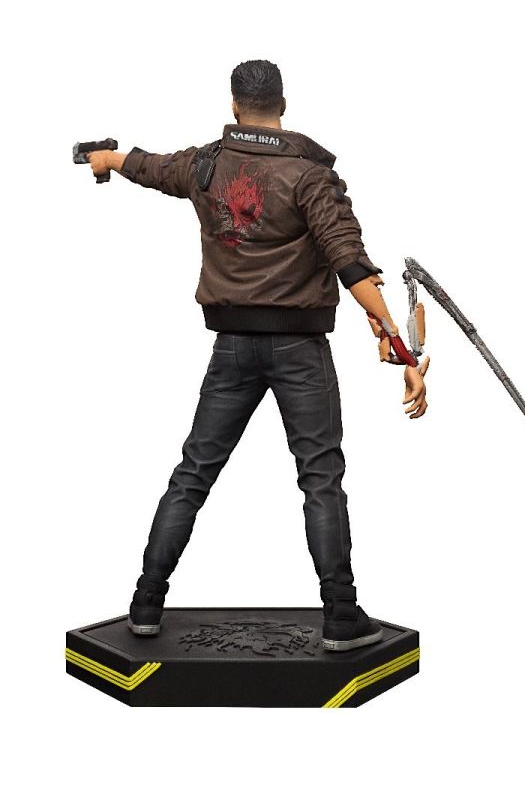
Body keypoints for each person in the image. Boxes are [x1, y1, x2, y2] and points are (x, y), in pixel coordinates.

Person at [86, 60, 429, 651]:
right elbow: (349, 261)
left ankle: (145, 604)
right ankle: (340, 616)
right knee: (321, 478)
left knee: (194, 473)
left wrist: (110, 161)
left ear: (234, 105)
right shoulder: (308, 175)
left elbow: (150, 167)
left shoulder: (206, 164)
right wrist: (397, 340)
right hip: (299, 349)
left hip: (233, 348)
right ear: (283, 105)